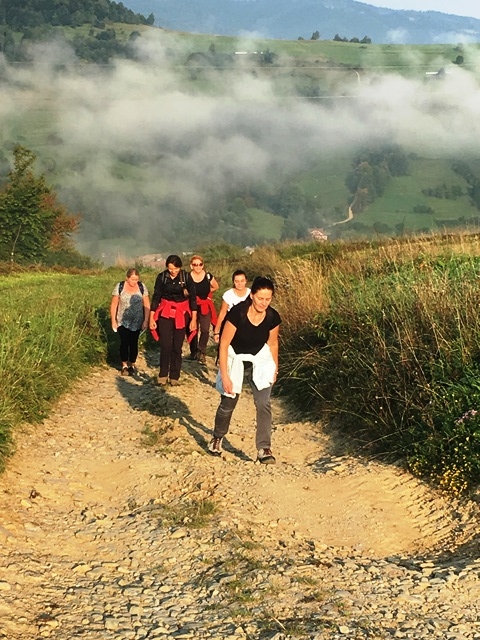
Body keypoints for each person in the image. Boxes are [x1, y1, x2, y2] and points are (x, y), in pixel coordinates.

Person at [208, 276, 281, 464]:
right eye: (260, 298)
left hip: (260, 359)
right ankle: (217, 437)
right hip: (235, 357)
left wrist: (275, 368)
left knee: (263, 403)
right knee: (228, 401)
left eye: (268, 299)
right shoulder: (238, 313)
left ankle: (264, 448)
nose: (264, 303)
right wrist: (225, 376)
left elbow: (273, 343)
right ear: (252, 296)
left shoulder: (272, 317)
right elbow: (224, 344)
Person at [149, 255, 197, 386]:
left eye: (175, 269)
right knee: (165, 345)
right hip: (165, 312)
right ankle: (163, 374)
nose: (173, 271)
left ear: (180, 267)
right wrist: (152, 317)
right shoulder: (162, 277)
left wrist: (193, 319)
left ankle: (174, 375)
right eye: (170, 269)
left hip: (182, 312)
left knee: (177, 346)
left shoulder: (186, 277)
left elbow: (193, 298)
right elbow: (156, 297)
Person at [110, 268, 150, 376]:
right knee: (124, 342)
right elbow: (114, 304)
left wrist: (146, 320)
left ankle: (132, 364)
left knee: (133, 343)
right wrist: (113, 320)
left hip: (137, 321)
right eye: (132, 279)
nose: (134, 282)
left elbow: (146, 304)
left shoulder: (142, 287)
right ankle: (124, 365)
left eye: (136, 279)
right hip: (122, 320)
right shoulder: (120, 287)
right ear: (127, 278)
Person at [188, 254, 219, 364]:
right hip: (191, 305)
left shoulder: (208, 276)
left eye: (200, 264)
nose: (198, 266)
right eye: (195, 264)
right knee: (193, 329)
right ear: (191, 266)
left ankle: (202, 351)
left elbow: (216, 286)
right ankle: (193, 352)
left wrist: (207, 294)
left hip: (204, 305)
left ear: (203, 265)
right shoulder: (187, 277)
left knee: (205, 330)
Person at [213, 269, 251, 344]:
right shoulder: (228, 295)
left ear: (246, 281)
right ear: (233, 282)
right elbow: (222, 313)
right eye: (237, 281)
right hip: (232, 326)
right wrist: (216, 331)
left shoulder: (251, 294)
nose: (240, 284)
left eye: (242, 281)